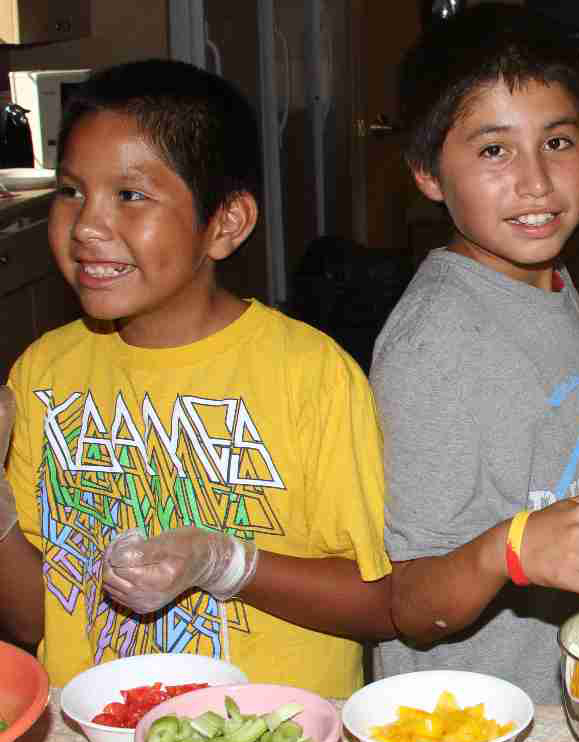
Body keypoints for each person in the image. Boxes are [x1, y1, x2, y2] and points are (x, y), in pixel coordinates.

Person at [0, 59, 392, 699]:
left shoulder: (311, 375)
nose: (88, 227)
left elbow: (379, 606)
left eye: (130, 196)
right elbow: (32, 619)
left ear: (226, 224)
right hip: (96, 738)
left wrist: (224, 563)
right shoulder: (43, 373)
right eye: (72, 191)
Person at [369, 5, 579, 704]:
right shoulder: (434, 346)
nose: (536, 182)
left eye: (558, 143)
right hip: (479, 727)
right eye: (494, 150)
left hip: (568, 701)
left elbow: (578, 488)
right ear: (427, 173)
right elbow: (407, 602)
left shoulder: (546, 282)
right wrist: (513, 550)